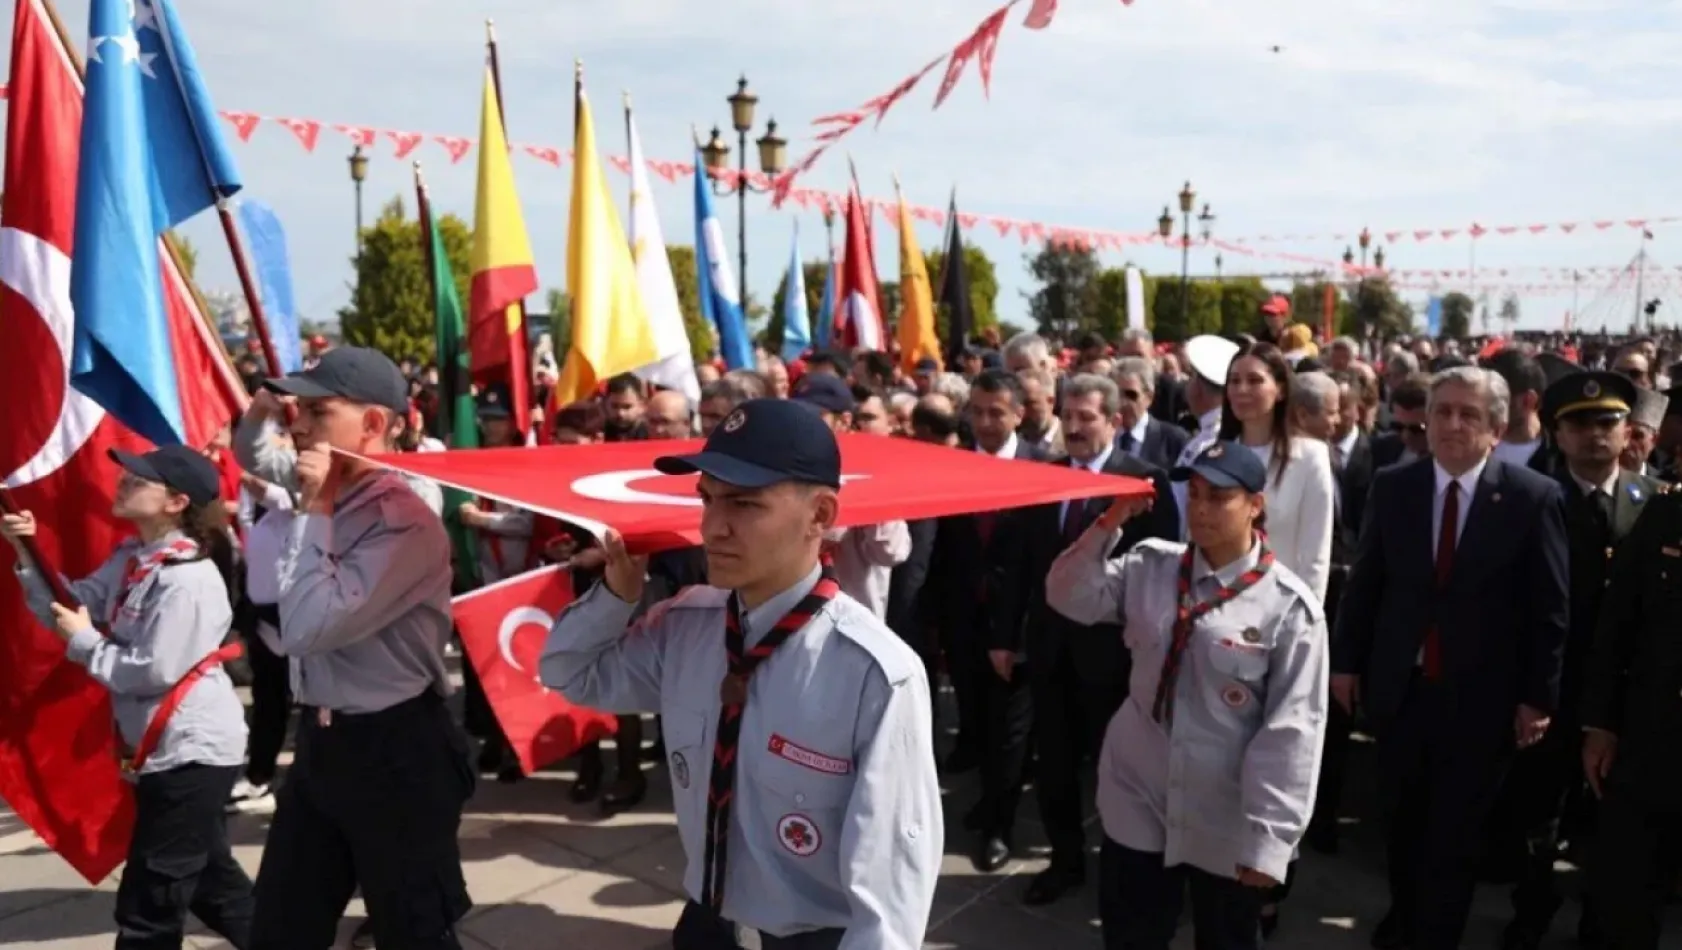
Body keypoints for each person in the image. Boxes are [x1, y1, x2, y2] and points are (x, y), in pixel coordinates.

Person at [540, 397, 943, 949]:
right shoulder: (686, 625)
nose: (713, 527)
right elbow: (568, 673)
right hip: (706, 927)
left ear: (820, 516)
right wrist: (616, 595)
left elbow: (891, 894)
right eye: (707, 499)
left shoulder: (875, 674)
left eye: (744, 504)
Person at [233, 347, 474, 949]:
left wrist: (315, 509)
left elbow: (308, 629)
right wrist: (265, 403)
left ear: (372, 425)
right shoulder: (328, 476)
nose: (300, 425)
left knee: (413, 932)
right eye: (299, 411)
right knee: (281, 928)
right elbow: (252, 452)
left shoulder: (405, 518)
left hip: (395, 752)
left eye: (319, 411)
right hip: (324, 743)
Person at [1046, 440, 1326, 950]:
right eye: (1194, 493)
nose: (1200, 508)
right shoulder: (1150, 565)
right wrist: (1109, 524)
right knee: (1132, 933)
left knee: (1225, 937)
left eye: (1219, 497)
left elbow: (1293, 729)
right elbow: (1067, 593)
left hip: (1226, 806)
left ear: (1255, 506)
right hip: (1140, 789)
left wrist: (1270, 840)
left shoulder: (1288, 608)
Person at [1332, 366, 1569, 950]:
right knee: (1402, 827)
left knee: (1454, 839)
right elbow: (1366, 583)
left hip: (1481, 702)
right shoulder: (1395, 486)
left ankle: (1431, 935)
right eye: (1443, 412)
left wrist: (1538, 696)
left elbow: (1551, 609)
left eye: (1469, 415)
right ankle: (1406, 917)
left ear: (1496, 428)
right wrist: (1345, 664)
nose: (1453, 424)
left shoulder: (1531, 497)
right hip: (1401, 691)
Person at [4, 445, 255, 949]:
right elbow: (71, 606)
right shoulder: (134, 559)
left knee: (149, 903)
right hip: (160, 749)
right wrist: (26, 550)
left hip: (191, 748)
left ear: (176, 502)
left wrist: (85, 642)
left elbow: (152, 670)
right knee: (212, 885)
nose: (124, 482)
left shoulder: (188, 578)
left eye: (140, 479)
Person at [1498, 370, 1658, 949]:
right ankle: (1529, 915)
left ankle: (1597, 924)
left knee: (1611, 822)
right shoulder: (1533, 497)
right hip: (1555, 686)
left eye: (1608, 422)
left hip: (1623, 693)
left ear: (1627, 429)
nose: (1596, 434)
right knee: (1539, 814)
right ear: (1557, 434)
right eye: (1580, 423)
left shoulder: (1653, 501)